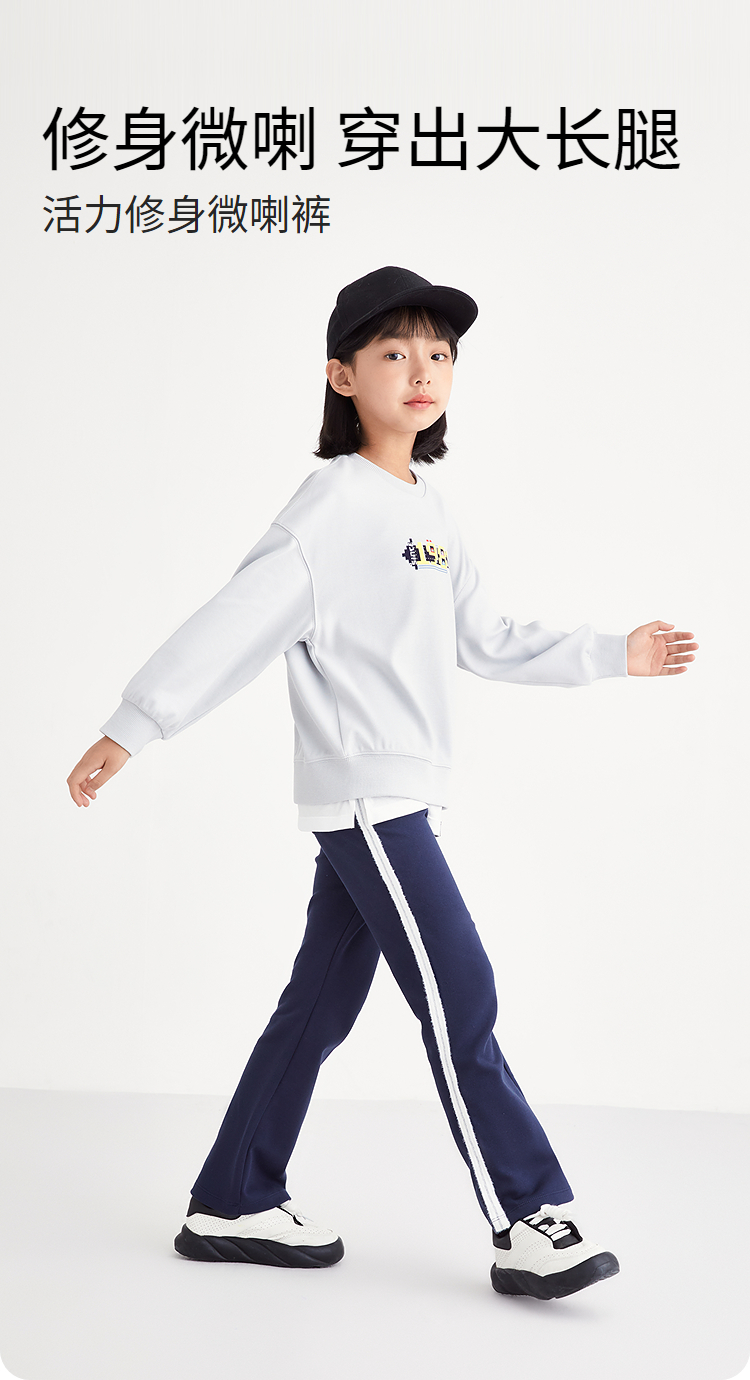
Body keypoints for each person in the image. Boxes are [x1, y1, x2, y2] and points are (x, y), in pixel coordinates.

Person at [67, 265, 698, 1300]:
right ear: (342, 375)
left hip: (398, 794)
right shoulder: (331, 503)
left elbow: (485, 638)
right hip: (370, 797)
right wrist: (136, 725)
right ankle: (529, 1216)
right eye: (394, 352)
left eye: (439, 353)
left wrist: (609, 653)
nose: (422, 370)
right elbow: (239, 619)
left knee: (318, 1005)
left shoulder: (430, 508)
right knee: (462, 996)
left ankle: (233, 1195)